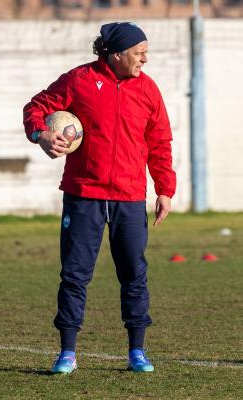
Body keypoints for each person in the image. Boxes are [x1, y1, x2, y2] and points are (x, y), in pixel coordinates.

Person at [23, 22, 176, 374]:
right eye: (139, 53)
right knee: (75, 275)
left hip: (129, 196)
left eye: (145, 52)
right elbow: (36, 105)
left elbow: (160, 143)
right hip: (83, 194)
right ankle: (67, 352)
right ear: (116, 54)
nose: (145, 60)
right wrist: (41, 134)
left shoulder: (149, 90)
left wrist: (165, 188)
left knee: (134, 274)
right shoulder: (79, 80)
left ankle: (137, 351)